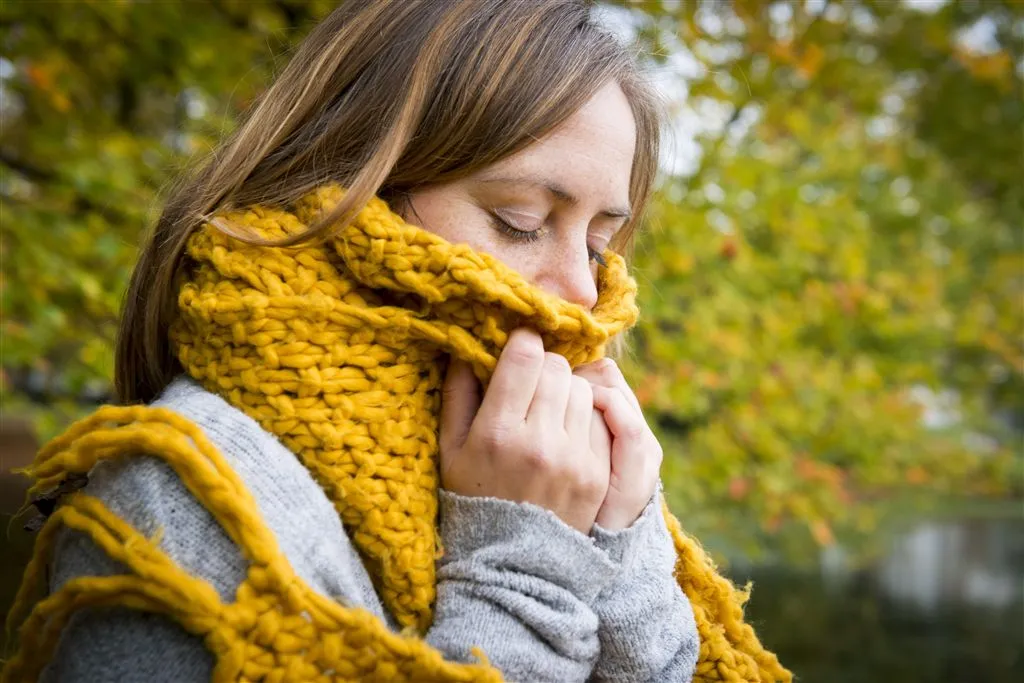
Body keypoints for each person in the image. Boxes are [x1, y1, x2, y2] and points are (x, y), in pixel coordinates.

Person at [5, 2, 791, 682]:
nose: (584, 292)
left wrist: (625, 549)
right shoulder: (177, 504)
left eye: (598, 243)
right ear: (349, 184)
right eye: (521, 220)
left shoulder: (565, 472)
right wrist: (523, 573)